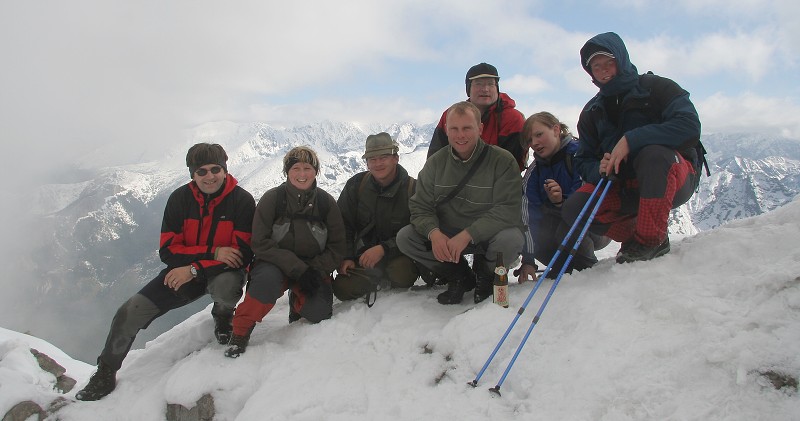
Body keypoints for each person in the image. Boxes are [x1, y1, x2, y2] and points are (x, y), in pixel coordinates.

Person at [75, 143, 255, 401]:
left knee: (227, 287)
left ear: (225, 170)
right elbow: (168, 251)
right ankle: (105, 372)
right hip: (182, 272)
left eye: (215, 169)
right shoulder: (179, 200)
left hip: (218, 272)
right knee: (129, 312)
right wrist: (212, 254)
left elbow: (241, 255)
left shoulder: (242, 201)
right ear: (192, 174)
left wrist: (195, 266)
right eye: (201, 171)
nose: (209, 176)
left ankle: (223, 315)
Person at [565, 32, 701, 264]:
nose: (604, 70)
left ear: (622, 60)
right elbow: (583, 159)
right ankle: (635, 236)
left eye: (609, 63)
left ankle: (652, 241)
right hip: (624, 185)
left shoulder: (657, 88)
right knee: (575, 209)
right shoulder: (592, 112)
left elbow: (689, 126)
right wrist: (600, 168)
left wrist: (632, 140)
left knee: (654, 155)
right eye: (597, 67)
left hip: (673, 176)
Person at [397, 101, 525, 305]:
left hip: (488, 234)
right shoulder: (435, 163)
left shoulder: (501, 161)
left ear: (480, 129)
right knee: (406, 238)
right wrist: (434, 233)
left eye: (467, 128)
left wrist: (469, 234)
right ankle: (458, 276)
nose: (460, 135)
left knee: (511, 240)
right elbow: (421, 207)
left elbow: (508, 209)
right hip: (449, 233)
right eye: (454, 129)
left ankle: (486, 274)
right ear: (446, 130)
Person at [224, 146, 345, 358]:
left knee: (319, 312)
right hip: (274, 264)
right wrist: (298, 269)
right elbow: (260, 242)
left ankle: (297, 302)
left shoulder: (326, 203)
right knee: (264, 286)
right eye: (296, 168)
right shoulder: (272, 200)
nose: (302, 174)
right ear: (287, 172)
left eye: (307, 168)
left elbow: (337, 246)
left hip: (313, 266)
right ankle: (240, 333)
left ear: (316, 171)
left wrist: (315, 270)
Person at [516, 112, 610, 282]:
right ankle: (563, 268)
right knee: (537, 235)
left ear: (556, 130)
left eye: (539, 135)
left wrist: (561, 202)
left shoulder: (579, 155)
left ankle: (588, 269)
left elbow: (586, 200)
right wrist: (528, 260)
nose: (535, 143)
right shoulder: (534, 172)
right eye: (530, 140)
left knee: (565, 230)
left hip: (598, 226)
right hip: (563, 224)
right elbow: (527, 215)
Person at [333, 132, 421, 304]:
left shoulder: (413, 189)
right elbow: (343, 224)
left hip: (398, 255)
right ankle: (372, 277)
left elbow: (419, 230)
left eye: (384, 157)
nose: (378, 163)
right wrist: (347, 257)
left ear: (396, 158)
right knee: (342, 289)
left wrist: (384, 249)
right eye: (372, 159)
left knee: (401, 274)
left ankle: (387, 277)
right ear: (366, 163)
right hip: (364, 256)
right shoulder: (356, 186)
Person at [427, 62, 527, 171]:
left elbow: (512, 166)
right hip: (453, 181)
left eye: (490, 84)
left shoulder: (512, 119)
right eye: (478, 84)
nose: (485, 89)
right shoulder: (451, 115)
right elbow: (434, 159)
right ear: (468, 89)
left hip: (499, 183)